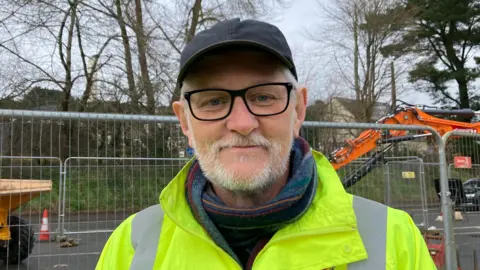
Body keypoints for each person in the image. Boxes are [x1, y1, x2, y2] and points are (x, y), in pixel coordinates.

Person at [96, 18, 437, 270]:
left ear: (298, 109)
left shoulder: (393, 238)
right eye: (213, 101)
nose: (242, 123)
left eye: (262, 97)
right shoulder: (132, 244)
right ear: (185, 120)